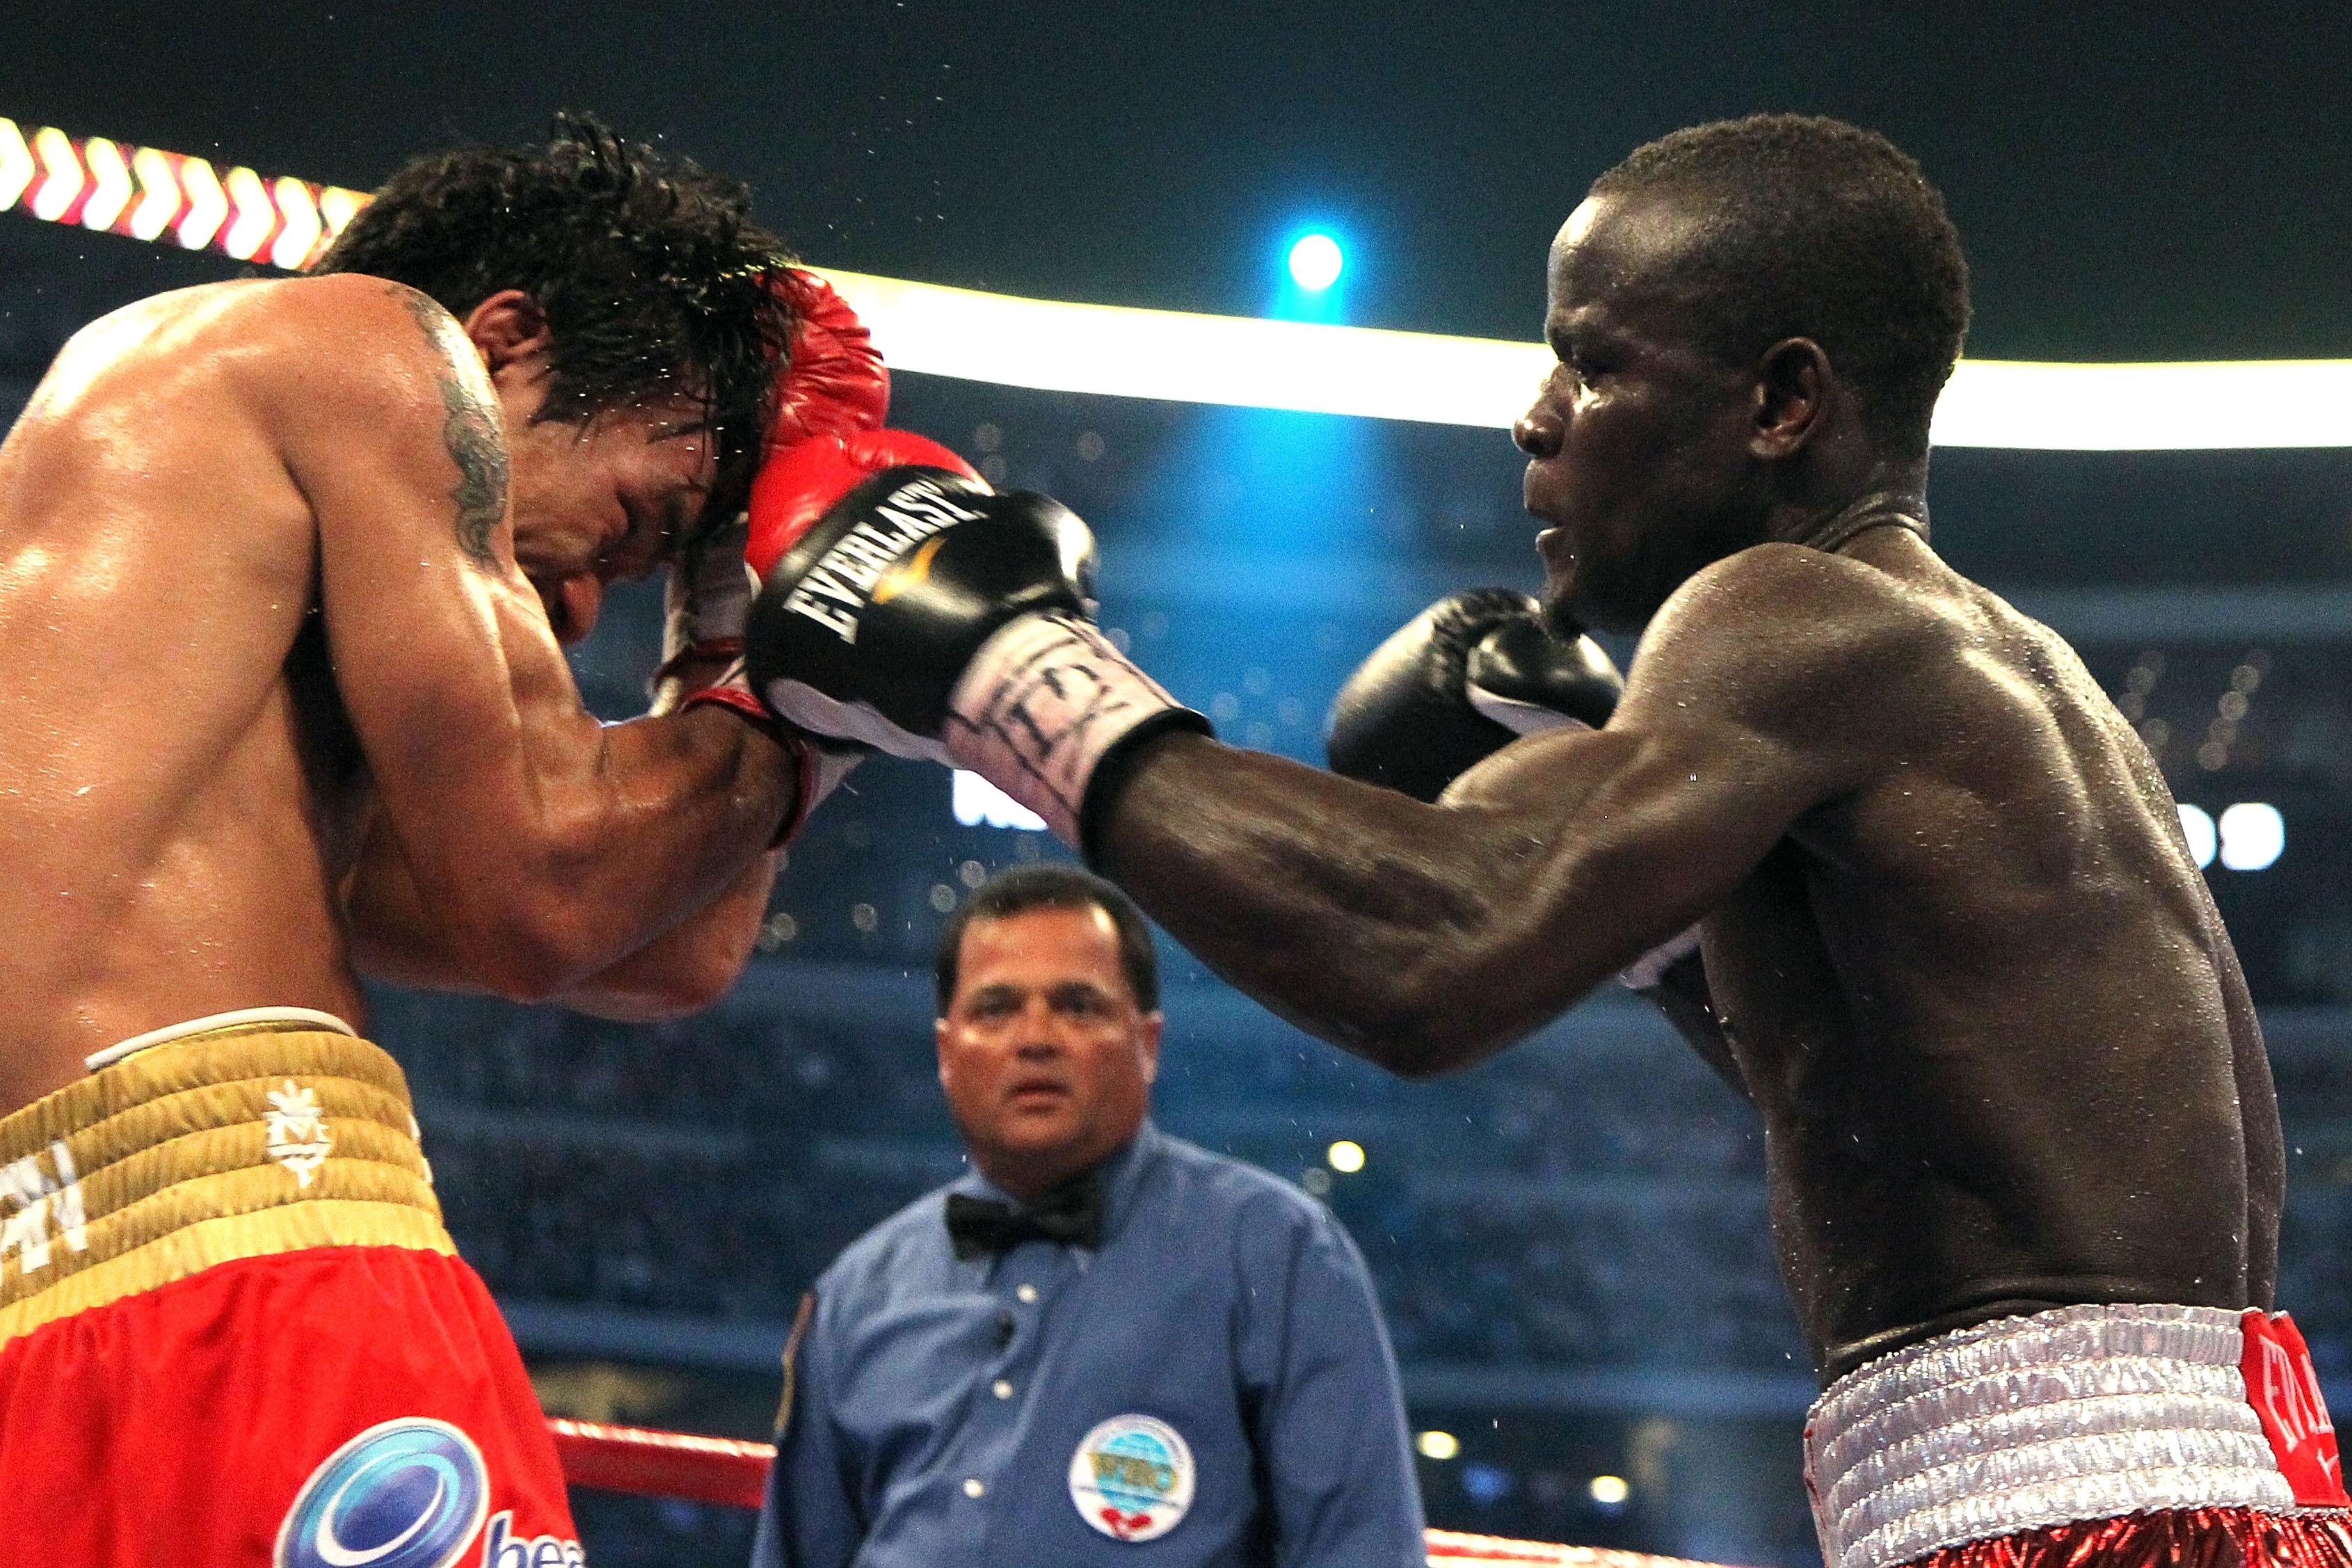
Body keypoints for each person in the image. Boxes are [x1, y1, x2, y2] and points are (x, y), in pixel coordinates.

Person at [736, 114, 2352, 1568]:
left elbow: (1433, 965)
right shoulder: (1998, 662)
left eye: (1593, 362)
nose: (1535, 417)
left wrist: (1005, 674)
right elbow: (1883, 1105)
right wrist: (1650, 939)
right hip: (2177, 1492)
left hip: (2069, 1522)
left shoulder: (1786, 612)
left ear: (1783, 401)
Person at [0, 115, 898, 1562]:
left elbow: (661, 948)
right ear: (502, 343)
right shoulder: (367, 346)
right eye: (631, 522)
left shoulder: (185, 661)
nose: (592, 607)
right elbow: (543, 890)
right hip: (259, 1269)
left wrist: (752, 637)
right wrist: (827, 665)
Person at [753, 864, 1425, 1568]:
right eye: (996, 1008)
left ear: (1148, 1043)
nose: (1035, 1037)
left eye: (1078, 1005)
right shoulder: (857, 1294)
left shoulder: (1278, 1253)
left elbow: (1362, 1549)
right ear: (948, 1053)